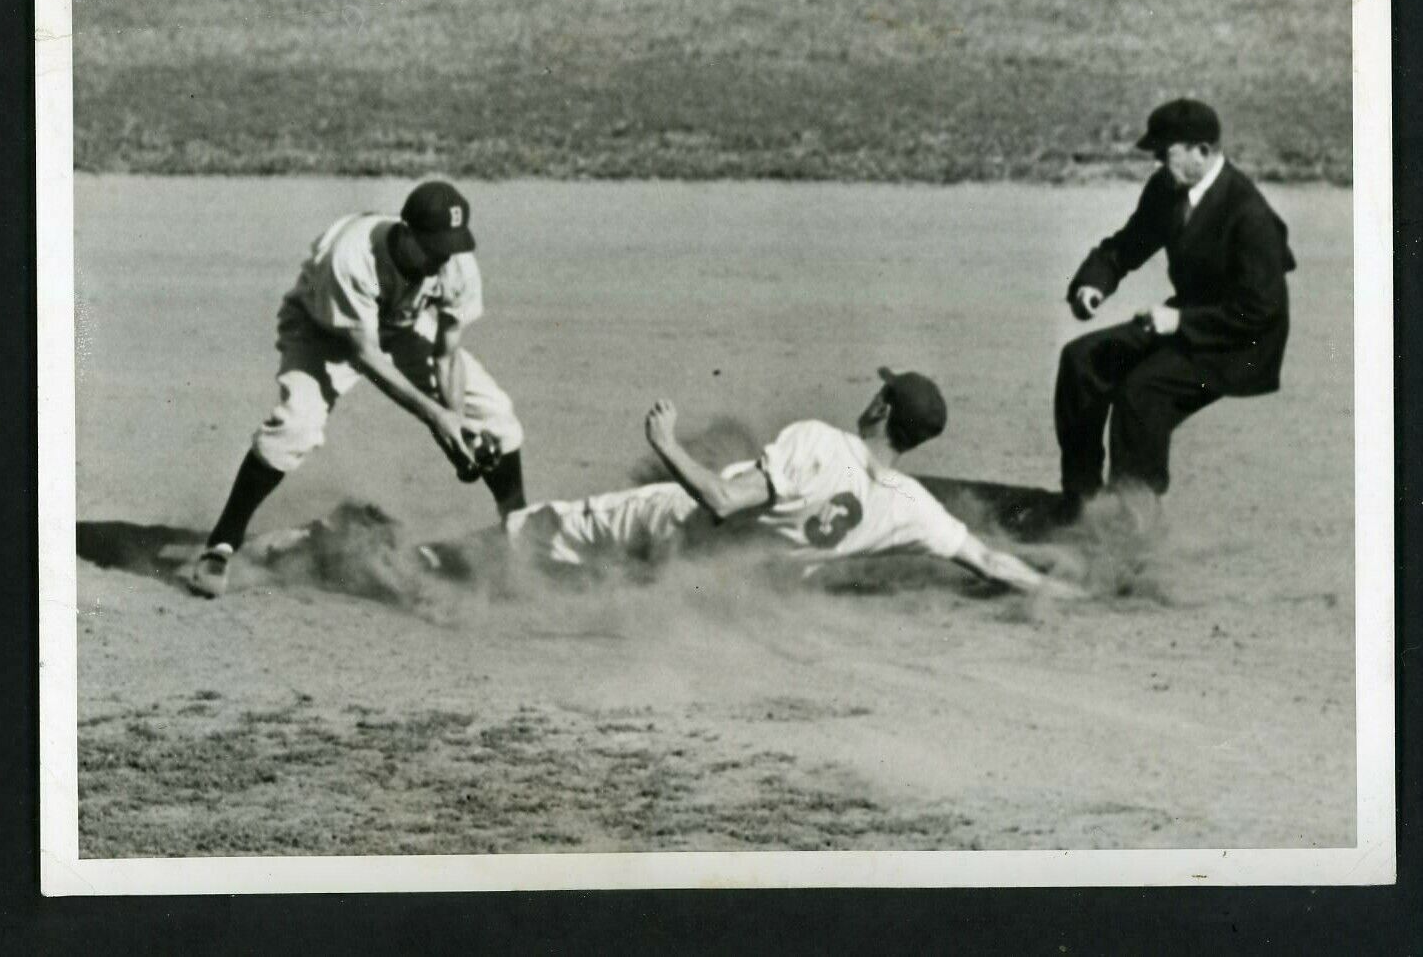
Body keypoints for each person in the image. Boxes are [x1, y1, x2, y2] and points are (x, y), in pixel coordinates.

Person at [185, 180, 527, 598]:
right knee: (296, 426)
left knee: (495, 416)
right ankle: (222, 542)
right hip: (323, 329)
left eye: (450, 247)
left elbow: (446, 354)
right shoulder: (350, 256)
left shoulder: (453, 262)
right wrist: (436, 417)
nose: (443, 257)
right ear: (406, 232)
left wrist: (455, 427)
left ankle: (519, 531)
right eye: (434, 247)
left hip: (402, 326)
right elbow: (365, 354)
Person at [495, 369, 1081, 598]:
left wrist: (666, 443)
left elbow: (722, 498)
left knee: (545, 531)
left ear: (880, 408)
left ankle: (438, 569)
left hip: (674, 521)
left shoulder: (821, 444)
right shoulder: (913, 509)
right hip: (714, 581)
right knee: (597, 572)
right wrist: (1068, 597)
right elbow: (991, 562)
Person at [1053, 99, 1296, 520]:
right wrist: (1094, 282)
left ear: (1202, 150)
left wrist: (1180, 320)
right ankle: (1082, 502)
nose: (1158, 164)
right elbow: (1127, 244)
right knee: (1081, 361)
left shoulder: (1250, 214)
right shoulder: (1167, 190)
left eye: (1165, 154)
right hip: (1183, 320)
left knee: (1143, 391)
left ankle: (1134, 523)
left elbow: (1262, 311)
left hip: (1240, 343)